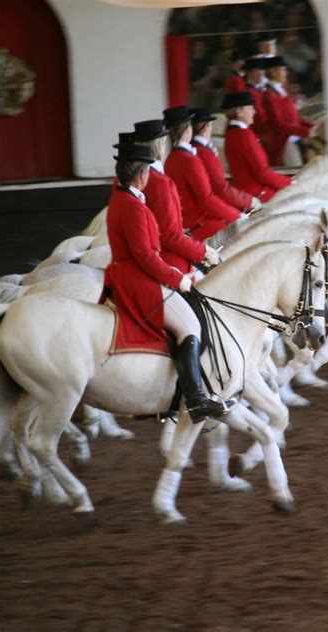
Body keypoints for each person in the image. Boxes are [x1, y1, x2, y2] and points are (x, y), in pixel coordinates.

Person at [106, 141, 227, 424]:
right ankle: (196, 400)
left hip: (134, 273)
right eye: (148, 170)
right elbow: (147, 256)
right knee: (190, 326)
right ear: (141, 174)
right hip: (137, 279)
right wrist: (177, 279)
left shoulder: (126, 198)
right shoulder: (132, 205)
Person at [132, 118, 219, 274]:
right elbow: (169, 236)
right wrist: (203, 251)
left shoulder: (136, 177)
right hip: (166, 259)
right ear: (160, 145)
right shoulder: (159, 182)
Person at [164, 105, 241, 242]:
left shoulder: (170, 159)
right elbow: (206, 199)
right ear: (188, 129)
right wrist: (237, 216)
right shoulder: (190, 160)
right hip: (201, 225)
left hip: (187, 222)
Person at [223, 91, 292, 202]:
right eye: (250, 108)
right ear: (239, 112)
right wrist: (290, 183)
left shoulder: (231, 133)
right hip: (258, 194)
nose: (254, 112)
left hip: (247, 192)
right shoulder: (244, 134)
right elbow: (261, 172)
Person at [190, 107, 261, 213]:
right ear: (206, 127)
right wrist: (249, 201)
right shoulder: (204, 152)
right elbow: (220, 188)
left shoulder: (199, 149)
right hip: (210, 211)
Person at [263, 55, 317, 167]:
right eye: (283, 70)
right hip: (283, 141)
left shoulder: (283, 89)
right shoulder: (269, 95)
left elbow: (295, 118)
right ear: (273, 72)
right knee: (297, 167)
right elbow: (279, 125)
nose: (286, 73)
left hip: (296, 136)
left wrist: (312, 126)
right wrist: (305, 132)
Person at [243, 57, 269, 143]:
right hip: (259, 132)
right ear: (249, 74)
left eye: (261, 71)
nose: (260, 74)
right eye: (256, 71)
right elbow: (260, 115)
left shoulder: (263, 89)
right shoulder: (248, 92)